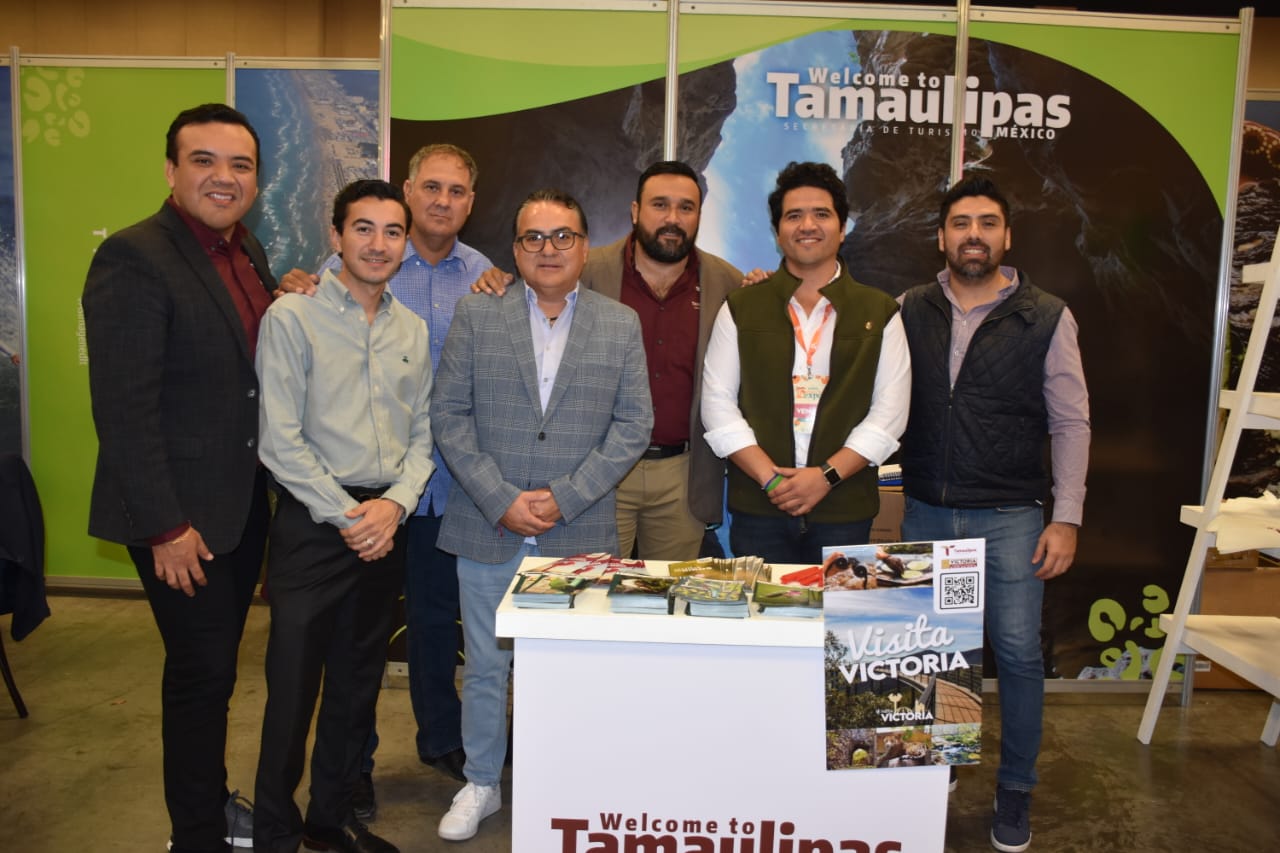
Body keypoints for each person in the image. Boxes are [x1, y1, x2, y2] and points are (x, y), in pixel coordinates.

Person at [82, 103, 275, 853]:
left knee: (216, 670)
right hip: (182, 519)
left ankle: (210, 803)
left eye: (240, 165)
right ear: (171, 171)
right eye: (204, 161)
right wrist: (166, 527)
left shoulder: (245, 250)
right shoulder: (135, 256)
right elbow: (124, 408)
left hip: (239, 502)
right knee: (200, 675)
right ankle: (195, 835)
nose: (224, 177)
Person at [431, 188, 652, 841]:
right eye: (534, 237)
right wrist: (501, 497)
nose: (548, 249)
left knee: (573, 667)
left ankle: (567, 782)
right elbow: (449, 415)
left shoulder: (619, 323)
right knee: (486, 667)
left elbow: (633, 425)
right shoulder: (478, 315)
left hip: (578, 526)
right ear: (515, 247)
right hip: (488, 523)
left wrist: (566, 495)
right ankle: (481, 782)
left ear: (585, 247)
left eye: (563, 236)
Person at [278, 144, 489, 817]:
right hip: (354, 499)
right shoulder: (334, 277)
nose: (442, 201)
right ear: (409, 189)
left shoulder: (485, 276)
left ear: (471, 202)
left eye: (457, 191)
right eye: (431, 187)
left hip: (440, 488)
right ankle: (354, 769)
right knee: (355, 647)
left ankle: (442, 740)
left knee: (433, 622)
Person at [896, 175, 1090, 853]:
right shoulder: (909, 308)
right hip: (928, 512)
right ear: (941, 237)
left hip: (1011, 517)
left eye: (986, 222)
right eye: (960, 223)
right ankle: (938, 765)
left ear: (1007, 236)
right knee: (933, 653)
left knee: (1016, 655)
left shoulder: (1048, 316)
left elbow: (1071, 422)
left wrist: (1066, 516)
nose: (972, 234)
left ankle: (1015, 788)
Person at [253, 179, 434, 853]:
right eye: (363, 228)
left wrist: (394, 504)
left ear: (405, 243)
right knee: (292, 690)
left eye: (393, 231)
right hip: (314, 526)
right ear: (336, 236)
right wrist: (349, 516)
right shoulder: (291, 318)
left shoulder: (411, 329)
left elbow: (424, 434)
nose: (378, 244)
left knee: (357, 687)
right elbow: (280, 440)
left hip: (385, 526)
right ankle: (274, 832)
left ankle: (329, 822)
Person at [476, 161, 742, 560]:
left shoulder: (728, 282)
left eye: (686, 207)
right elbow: (531, 292)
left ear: (699, 215)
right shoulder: (584, 269)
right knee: (592, 590)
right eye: (660, 205)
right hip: (595, 472)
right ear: (635, 211)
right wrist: (495, 278)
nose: (672, 218)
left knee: (666, 596)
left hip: (682, 475)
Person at [700, 161, 910, 565]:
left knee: (839, 608)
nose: (807, 225)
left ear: (842, 228)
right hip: (760, 507)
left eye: (821, 214)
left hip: (844, 509)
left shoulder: (880, 311)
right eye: (794, 215)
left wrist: (825, 477)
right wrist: (772, 480)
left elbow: (890, 415)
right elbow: (717, 403)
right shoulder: (742, 307)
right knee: (761, 608)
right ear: (778, 231)